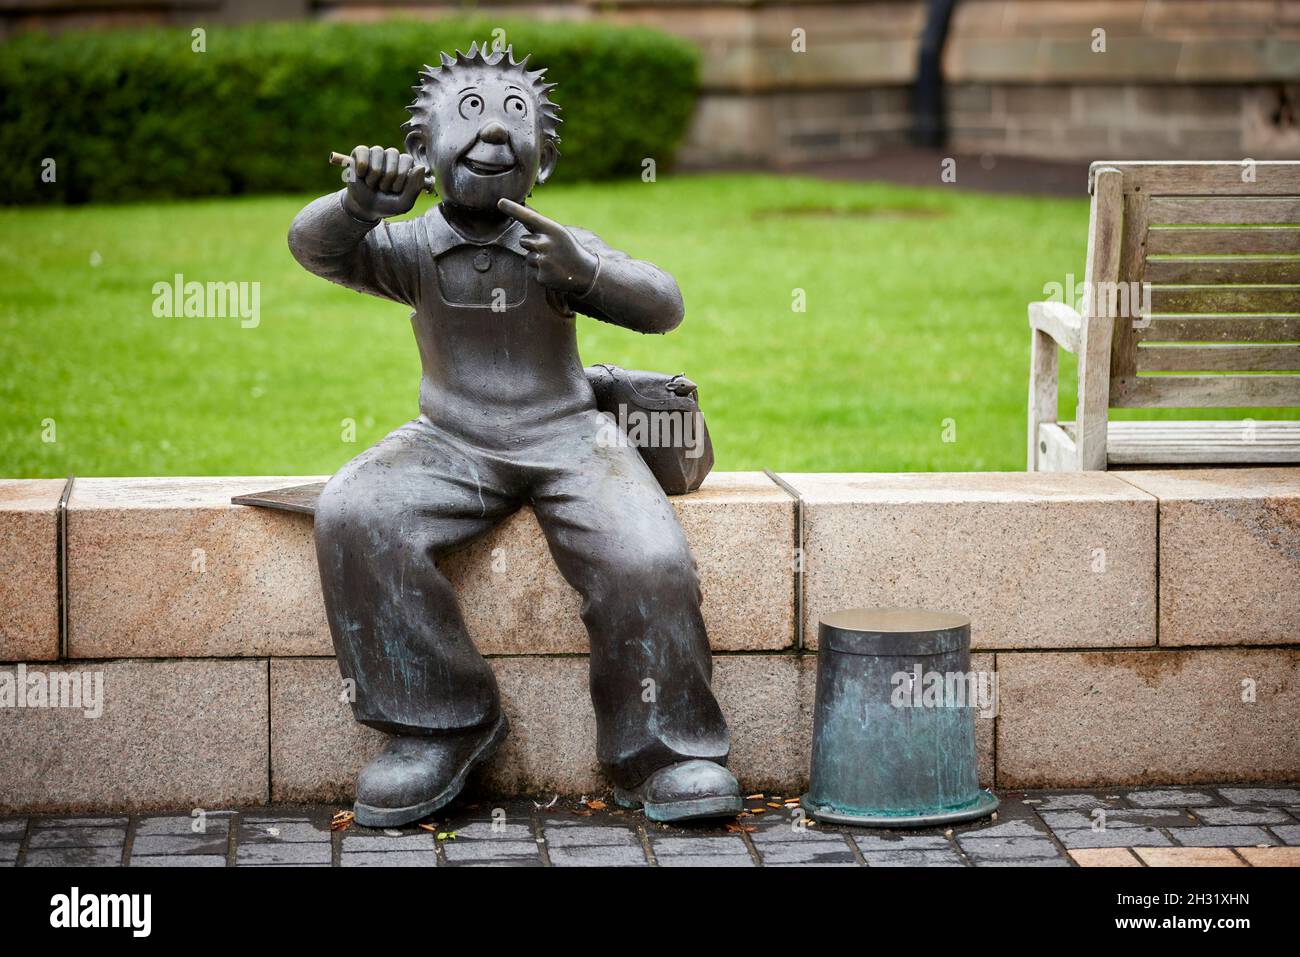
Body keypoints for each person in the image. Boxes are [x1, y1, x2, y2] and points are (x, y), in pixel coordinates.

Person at [287, 43, 740, 826]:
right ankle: (438, 723)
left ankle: (664, 750)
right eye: (467, 115)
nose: (492, 133)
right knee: (357, 512)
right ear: (423, 151)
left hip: (571, 437)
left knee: (650, 557)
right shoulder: (408, 247)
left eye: (513, 115)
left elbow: (664, 304)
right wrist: (358, 205)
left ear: (547, 157)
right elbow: (312, 248)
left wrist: (585, 273)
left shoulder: (556, 243)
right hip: (450, 440)